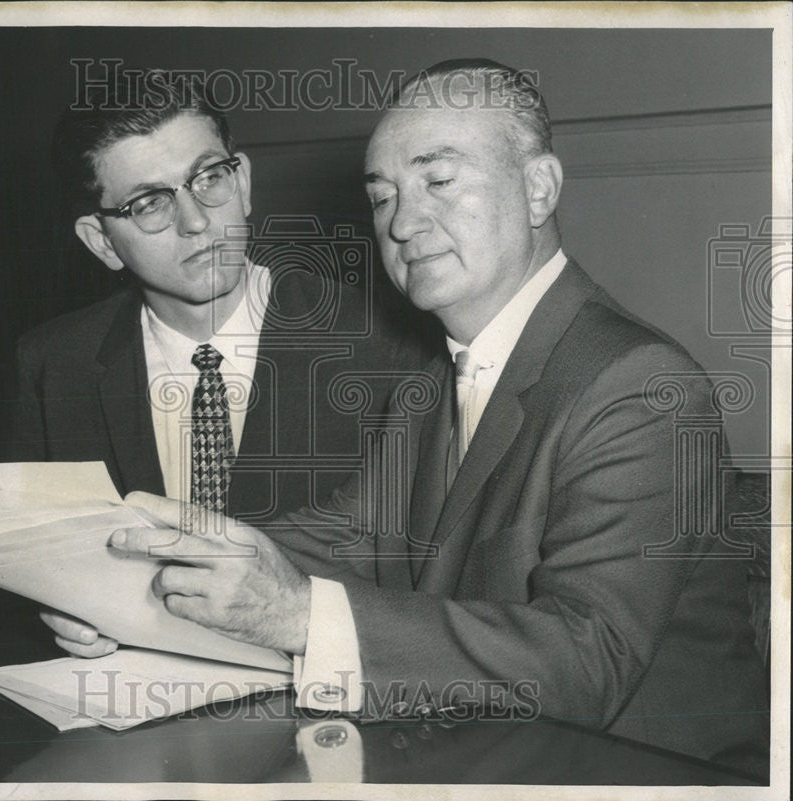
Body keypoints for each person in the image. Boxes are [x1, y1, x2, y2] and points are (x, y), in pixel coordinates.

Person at [47, 60, 768, 771]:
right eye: (384, 195)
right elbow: (345, 535)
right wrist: (134, 587)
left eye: (439, 181)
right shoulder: (431, 382)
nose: (404, 221)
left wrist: (300, 615)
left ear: (539, 187)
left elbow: (587, 662)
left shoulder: (642, 384)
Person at [21, 70, 431, 655]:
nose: (195, 222)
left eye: (208, 178)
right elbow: (22, 565)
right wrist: (55, 607)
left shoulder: (382, 345)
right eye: (148, 204)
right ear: (102, 241)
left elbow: (424, 578)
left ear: (243, 183)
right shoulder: (53, 365)